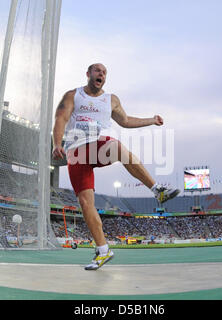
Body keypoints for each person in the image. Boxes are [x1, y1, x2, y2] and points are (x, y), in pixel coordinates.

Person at [52, 63, 180, 271]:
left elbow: (126, 120)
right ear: (88, 74)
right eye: (97, 71)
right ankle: (103, 250)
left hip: (99, 144)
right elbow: (61, 118)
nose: (101, 74)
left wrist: (151, 120)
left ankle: (157, 190)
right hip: (76, 151)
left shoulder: (111, 99)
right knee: (85, 203)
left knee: (116, 147)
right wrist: (57, 144)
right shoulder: (72, 95)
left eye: (104, 72)